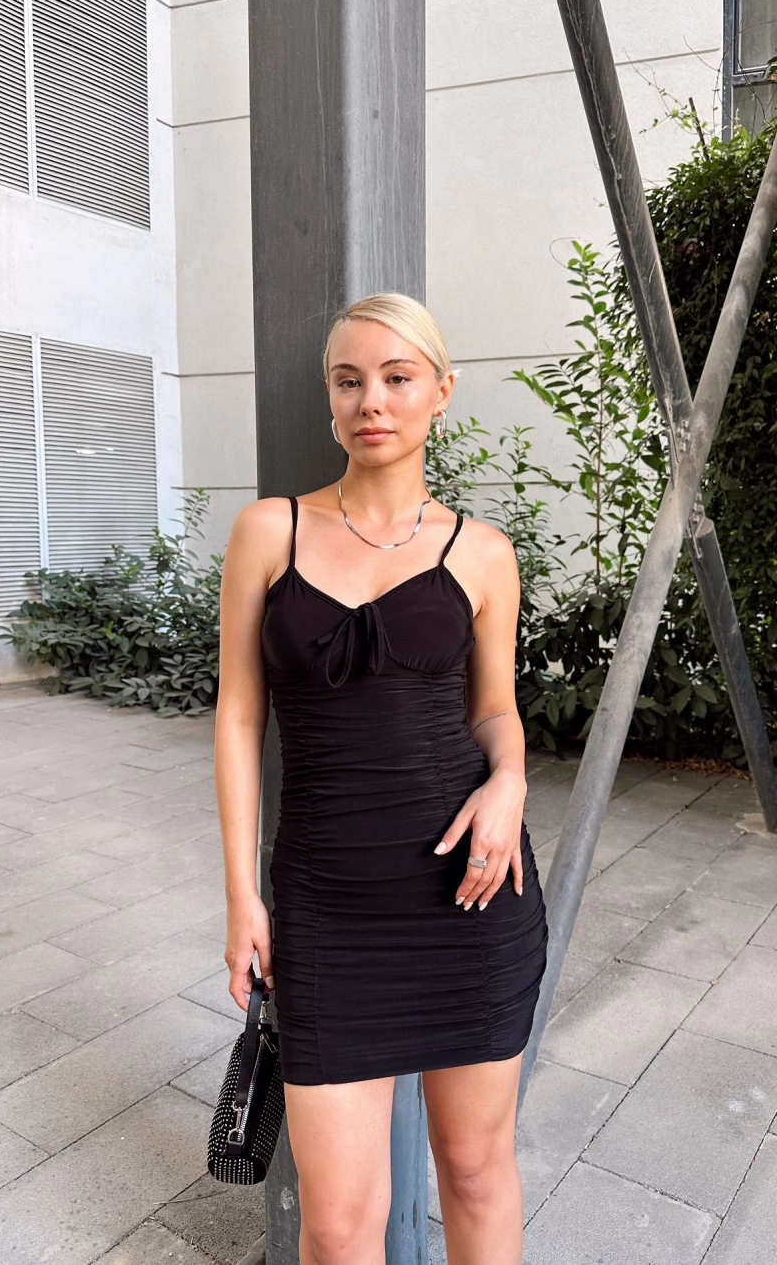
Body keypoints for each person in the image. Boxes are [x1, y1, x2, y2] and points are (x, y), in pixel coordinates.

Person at [214, 292, 548, 1265]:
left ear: (441, 392)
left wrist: (511, 781)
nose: (372, 401)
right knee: (337, 1224)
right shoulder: (267, 532)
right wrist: (242, 895)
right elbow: (238, 718)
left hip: (468, 899)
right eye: (349, 380)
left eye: (398, 378)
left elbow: (494, 711)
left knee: (475, 1171)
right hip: (327, 905)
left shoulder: (483, 553)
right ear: (329, 398)